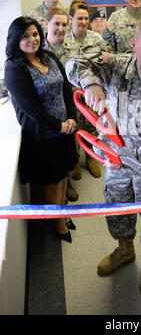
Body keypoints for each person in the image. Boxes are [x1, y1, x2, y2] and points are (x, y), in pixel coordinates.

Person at [66, 19, 141, 292]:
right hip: (116, 162)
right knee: (117, 208)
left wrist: (133, 155)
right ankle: (125, 249)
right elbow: (74, 64)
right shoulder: (116, 64)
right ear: (133, 45)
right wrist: (90, 84)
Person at [5, 17, 77, 243]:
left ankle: (63, 211)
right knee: (52, 179)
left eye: (35, 34)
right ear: (16, 39)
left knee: (64, 172)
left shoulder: (49, 56)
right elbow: (30, 108)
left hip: (65, 128)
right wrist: (58, 126)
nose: (32, 39)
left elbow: (66, 88)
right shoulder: (14, 68)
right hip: (43, 134)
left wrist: (72, 118)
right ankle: (57, 221)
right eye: (25, 36)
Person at [66, 1, 110, 179]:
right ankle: (75, 161)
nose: (83, 22)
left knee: (93, 126)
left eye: (85, 18)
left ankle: (91, 159)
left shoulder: (96, 39)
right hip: (71, 94)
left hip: (92, 94)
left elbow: (107, 64)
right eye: (79, 18)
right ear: (71, 19)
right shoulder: (64, 40)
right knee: (74, 127)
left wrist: (105, 89)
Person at [44, 7, 80, 202]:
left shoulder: (73, 48)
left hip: (69, 102)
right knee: (54, 152)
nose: (60, 28)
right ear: (46, 24)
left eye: (64, 24)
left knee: (69, 144)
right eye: (56, 23)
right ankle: (60, 184)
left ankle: (67, 179)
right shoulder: (37, 50)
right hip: (49, 107)